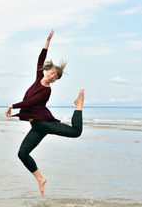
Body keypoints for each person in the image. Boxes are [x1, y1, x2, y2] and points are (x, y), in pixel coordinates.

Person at [5, 30, 84, 196]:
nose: (52, 76)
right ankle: (40, 178)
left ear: (55, 80)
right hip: (36, 126)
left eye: (55, 76)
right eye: (52, 72)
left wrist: (12, 105)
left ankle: (79, 105)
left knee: (76, 132)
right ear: (48, 70)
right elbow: (40, 59)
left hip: (46, 124)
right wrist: (47, 41)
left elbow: (30, 103)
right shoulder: (37, 78)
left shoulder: (46, 91)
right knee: (22, 153)